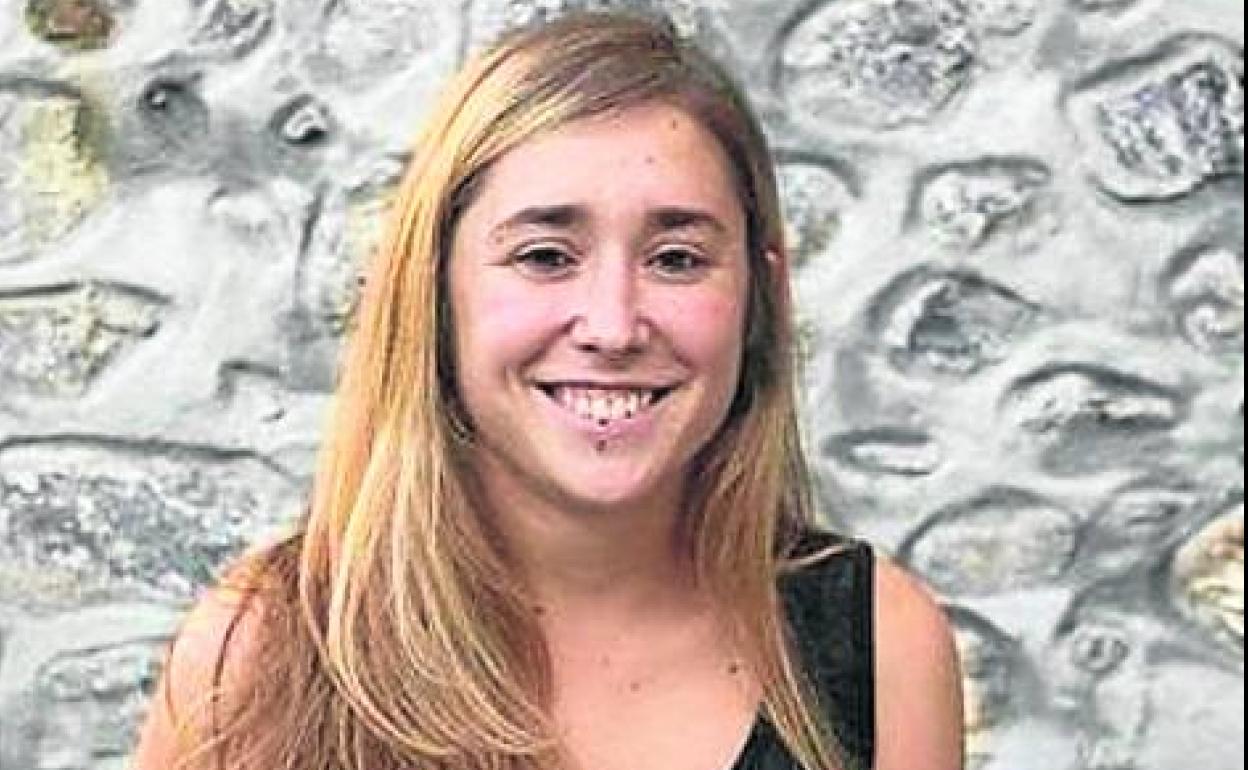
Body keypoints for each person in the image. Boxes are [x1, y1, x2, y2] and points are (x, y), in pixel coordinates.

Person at [133, 10, 963, 770]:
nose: (613, 325)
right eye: (544, 256)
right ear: (433, 290)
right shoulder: (258, 655)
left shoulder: (880, 648)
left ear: (761, 296)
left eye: (676, 259)